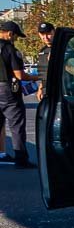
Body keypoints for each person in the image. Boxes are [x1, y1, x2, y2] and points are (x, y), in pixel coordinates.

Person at [0, 20, 35, 168]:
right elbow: (19, 75)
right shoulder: (9, 49)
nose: (16, 40)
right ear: (10, 34)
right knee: (16, 125)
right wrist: (37, 77)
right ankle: (21, 159)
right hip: (7, 89)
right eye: (16, 37)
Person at [34, 22, 53, 101]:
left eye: (48, 33)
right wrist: (40, 88)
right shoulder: (42, 51)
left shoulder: (62, 48)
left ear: (54, 32)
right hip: (46, 91)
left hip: (60, 90)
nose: (45, 37)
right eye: (42, 34)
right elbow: (44, 73)